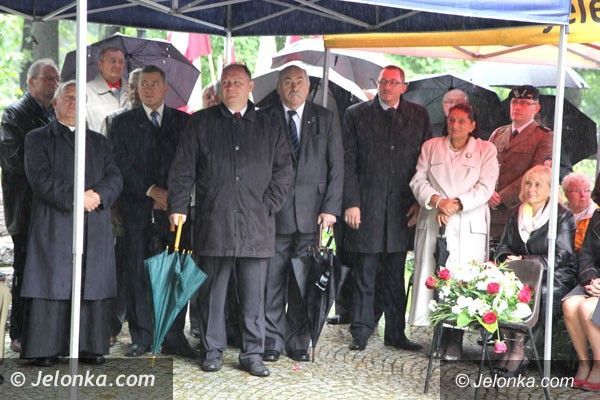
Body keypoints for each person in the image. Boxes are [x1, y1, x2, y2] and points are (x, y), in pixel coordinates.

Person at [168, 63, 293, 377]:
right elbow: (183, 168)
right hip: (215, 221)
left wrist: (268, 204)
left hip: (257, 223)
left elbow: (284, 171)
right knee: (212, 293)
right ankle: (212, 350)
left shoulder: (269, 125)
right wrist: (178, 206)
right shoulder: (200, 122)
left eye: (237, 82)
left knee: (254, 295)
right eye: (226, 82)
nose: (231, 87)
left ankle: (253, 353)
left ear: (251, 86)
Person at [20, 81, 123, 367]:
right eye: (67, 97)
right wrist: (78, 198)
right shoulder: (37, 139)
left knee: (91, 280)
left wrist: (98, 196)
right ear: (55, 103)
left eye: (79, 98)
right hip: (54, 222)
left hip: (93, 223)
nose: (73, 102)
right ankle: (45, 348)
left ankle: (89, 345)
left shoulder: (99, 142)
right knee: (52, 281)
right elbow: (40, 178)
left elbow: (115, 176)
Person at [342, 65, 431, 351]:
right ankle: (360, 331)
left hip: (401, 209)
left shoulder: (418, 115)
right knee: (364, 272)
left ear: (404, 86)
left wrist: (419, 203)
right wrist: (351, 202)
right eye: (383, 82)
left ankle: (396, 333)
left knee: (395, 275)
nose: (387, 87)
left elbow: (425, 164)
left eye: (393, 82)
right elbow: (348, 162)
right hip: (365, 206)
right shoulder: (356, 114)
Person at [259, 65, 343, 362]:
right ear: (278, 87)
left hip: (313, 214)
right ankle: (271, 340)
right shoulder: (265, 116)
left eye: (299, 81)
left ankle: (298, 341)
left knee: (303, 282)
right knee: (272, 280)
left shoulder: (325, 118)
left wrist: (331, 208)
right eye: (287, 81)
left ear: (308, 86)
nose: (293, 87)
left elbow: (337, 167)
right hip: (274, 214)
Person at [111, 65, 195, 358]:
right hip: (137, 209)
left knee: (176, 272)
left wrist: (173, 196)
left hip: (175, 210)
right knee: (137, 272)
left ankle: (174, 336)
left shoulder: (183, 122)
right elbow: (119, 165)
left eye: (154, 83)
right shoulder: (121, 123)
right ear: (137, 88)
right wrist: (150, 191)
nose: (148, 88)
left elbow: (190, 163)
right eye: (143, 84)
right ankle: (142, 336)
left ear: (165, 87)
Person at [409, 103, 499, 359]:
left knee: (462, 281)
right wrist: (438, 201)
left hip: (467, 222)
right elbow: (418, 180)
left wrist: (456, 204)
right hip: (435, 218)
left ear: (472, 125)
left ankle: (455, 339)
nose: (455, 125)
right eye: (451, 120)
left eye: (461, 121)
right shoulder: (431, 146)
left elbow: (486, 186)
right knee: (434, 276)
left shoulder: (485, 150)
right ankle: (437, 336)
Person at [0, 58, 60, 354]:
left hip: (51, 206)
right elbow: (12, 162)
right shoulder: (14, 114)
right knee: (25, 268)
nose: (53, 85)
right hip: (25, 207)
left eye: (56, 79)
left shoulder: (55, 114)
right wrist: (47, 171)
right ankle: (20, 332)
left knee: (48, 269)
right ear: (30, 81)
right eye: (47, 79)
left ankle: (45, 330)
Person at [494, 165, 577, 377]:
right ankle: (508, 346)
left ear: (550, 188)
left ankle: (520, 351)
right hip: (518, 274)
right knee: (498, 287)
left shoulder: (562, 216)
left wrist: (525, 261)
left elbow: (562, 255)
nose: (531, 189)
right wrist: (507, 259)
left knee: (529, 292)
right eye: (528, 184)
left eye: (538, 185)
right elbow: (503, 247)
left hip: (553, 275)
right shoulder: (516, 212)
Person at [488, 85, 553, 242]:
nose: (517, 107)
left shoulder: (544, 136)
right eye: (514, 102)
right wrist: (487, 192)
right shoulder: (498, 133)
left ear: (536, 108)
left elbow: (536, 173)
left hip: (518, 210)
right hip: (489, 208)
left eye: (524, 103)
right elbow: (484, 166)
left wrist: (501, 197)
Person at [189, 79, 223, 341]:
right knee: (199, 270)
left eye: (215, 96)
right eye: (207, 96)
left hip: (224, 212)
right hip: (197, 209)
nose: (211, 100)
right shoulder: (196, 124)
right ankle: (198, 323)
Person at [563, 209, 600, 390]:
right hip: (596, 279)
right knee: (570, 305)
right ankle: (584, 363)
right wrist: (591, 279)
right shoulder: (598, 215)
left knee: (587, 308)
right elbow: (585, 254)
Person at [86, 47, 128, 133]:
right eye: (113, 61)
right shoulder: (86, 91)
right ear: (100, 65)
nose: (117, 66)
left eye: (121, 62)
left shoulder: (134, 90)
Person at [562, 172, 598, 252]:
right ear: (566, 194)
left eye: (586, 190)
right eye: (577, 191)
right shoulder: (559, 214)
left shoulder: (597, 216)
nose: (582, 195)